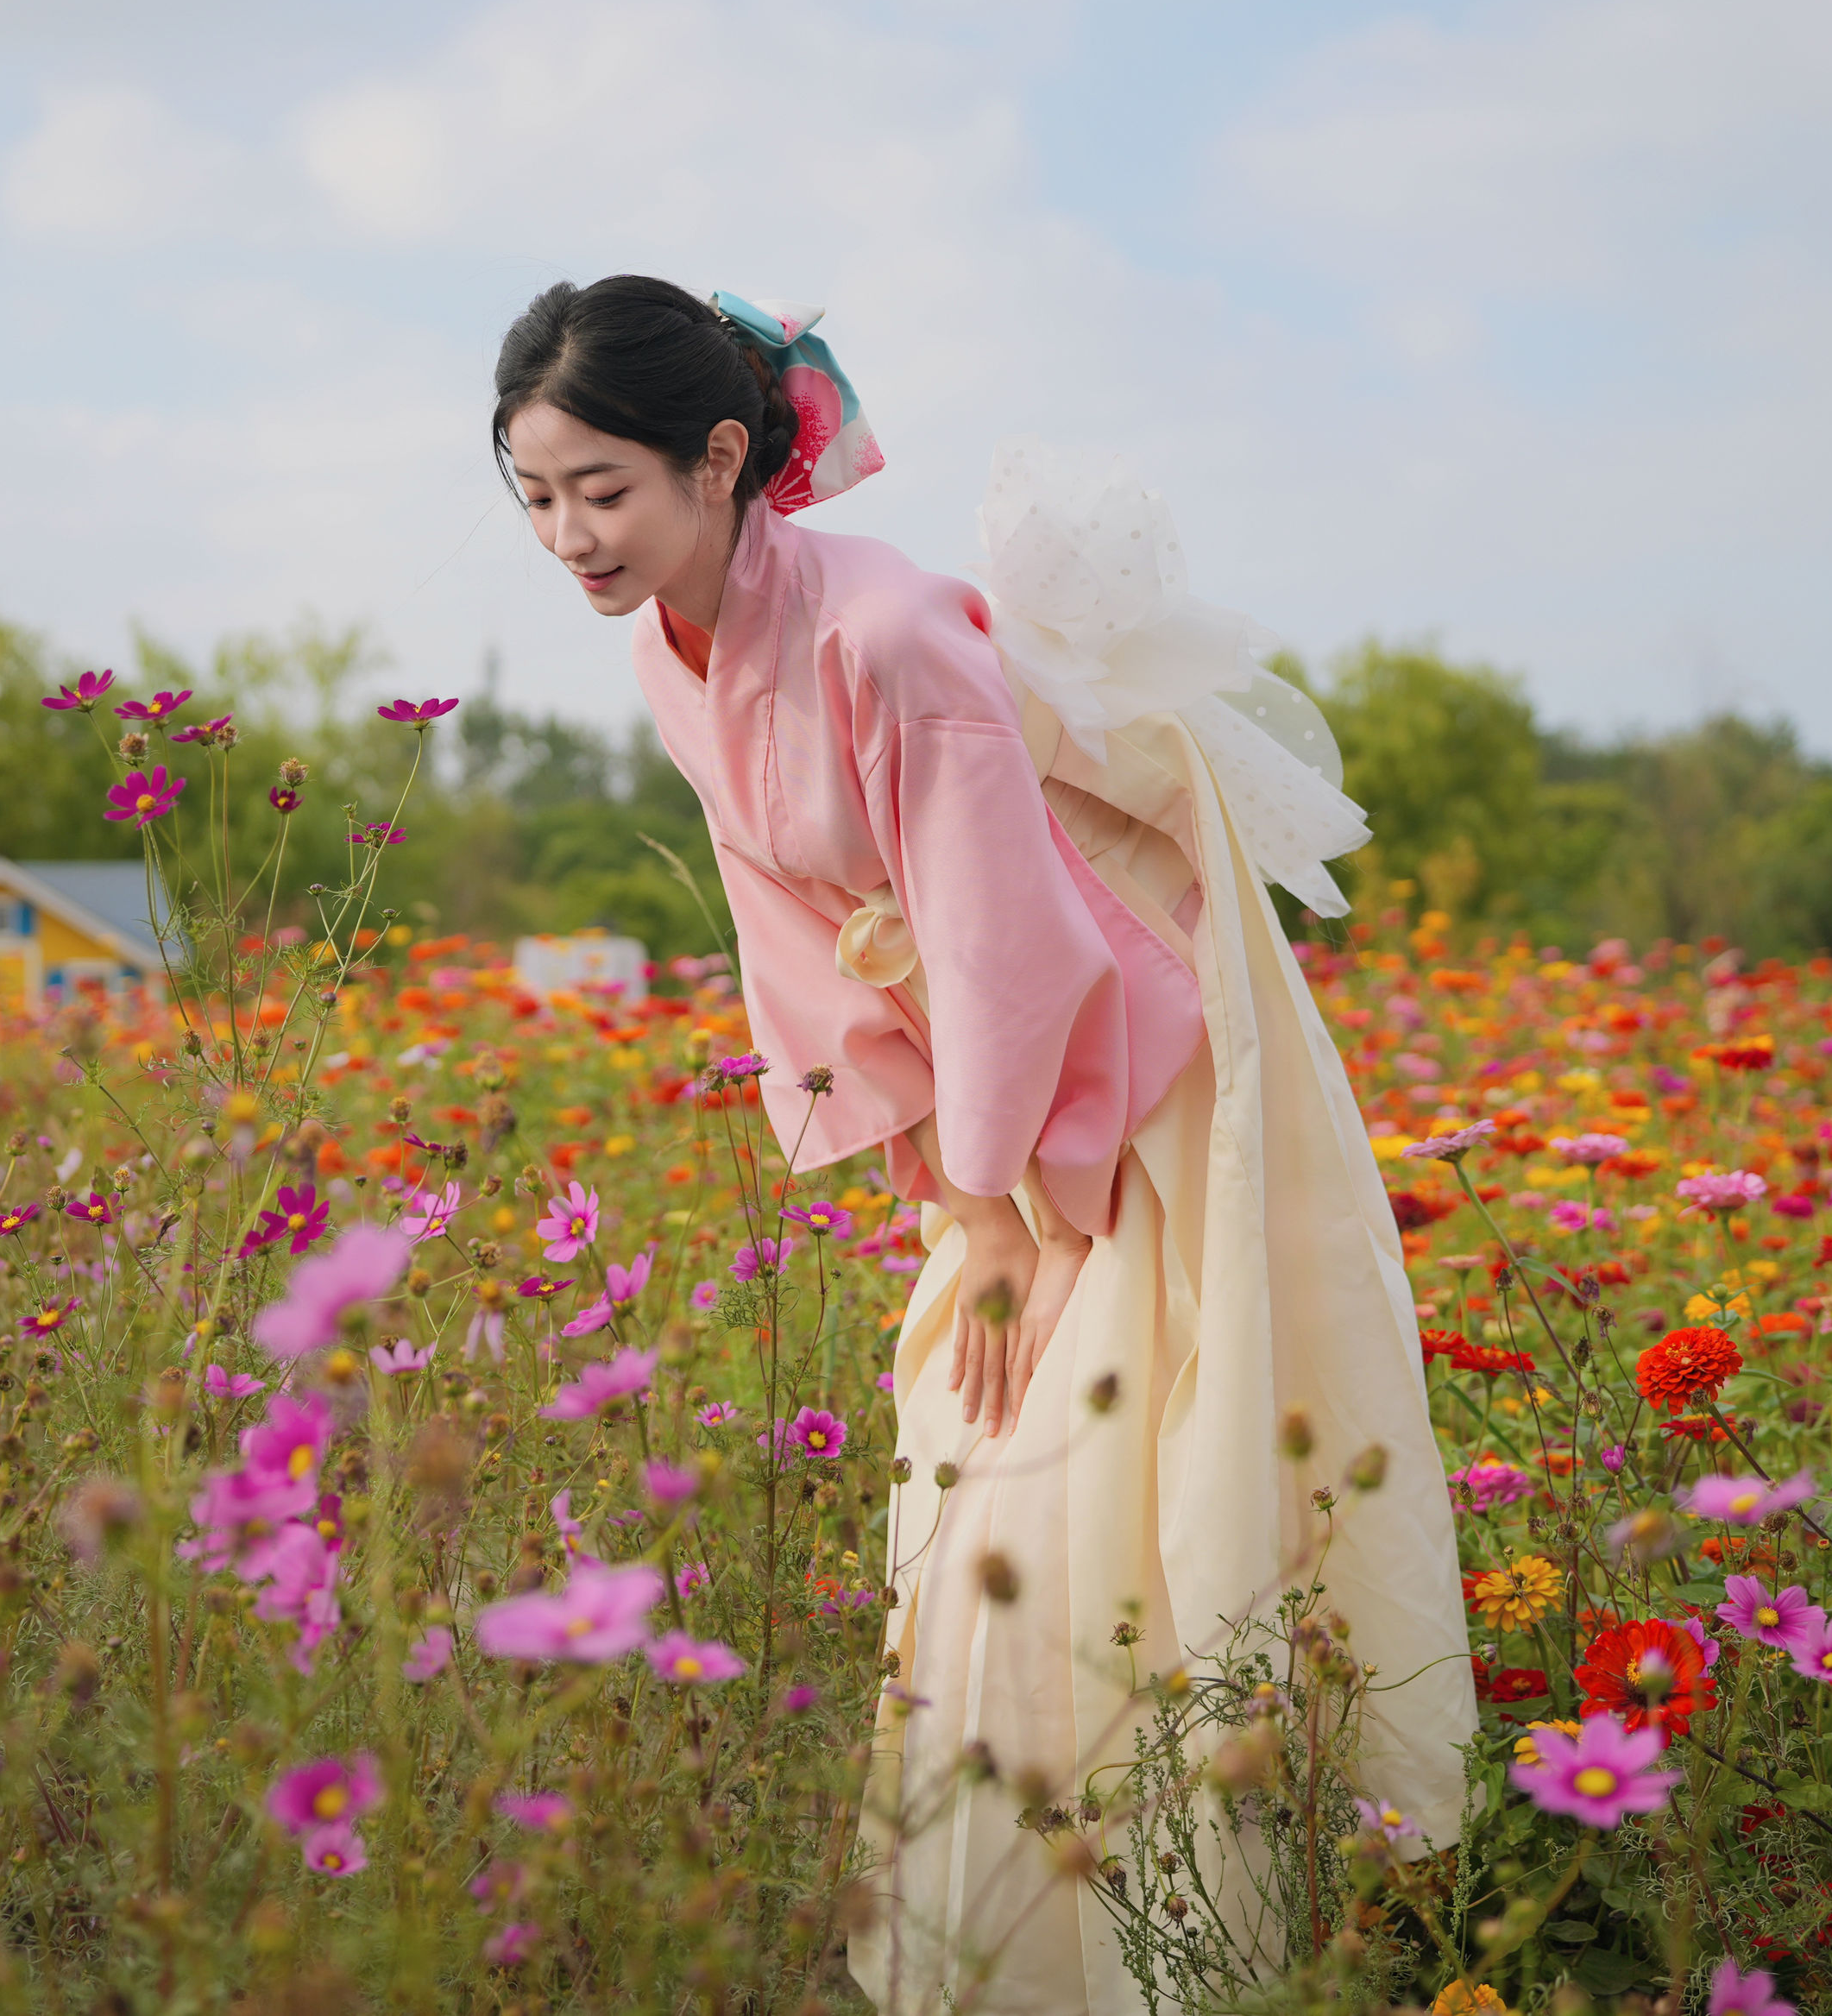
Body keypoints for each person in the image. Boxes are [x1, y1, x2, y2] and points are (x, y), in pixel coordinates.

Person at [494, 275, 1473, 2013]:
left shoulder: (885, 635)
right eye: (537, 498)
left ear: (722, 459)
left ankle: (1175, 1925)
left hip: (1123, 1034)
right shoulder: (666, 648)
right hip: (979, 1075)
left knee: (1121, 1450)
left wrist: (1008, 1208)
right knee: (982, 1441)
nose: (573, 536)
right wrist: (929, 1164)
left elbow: (1012, 936)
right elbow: (782, 925)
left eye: (605, 491)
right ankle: (1016, 1933)